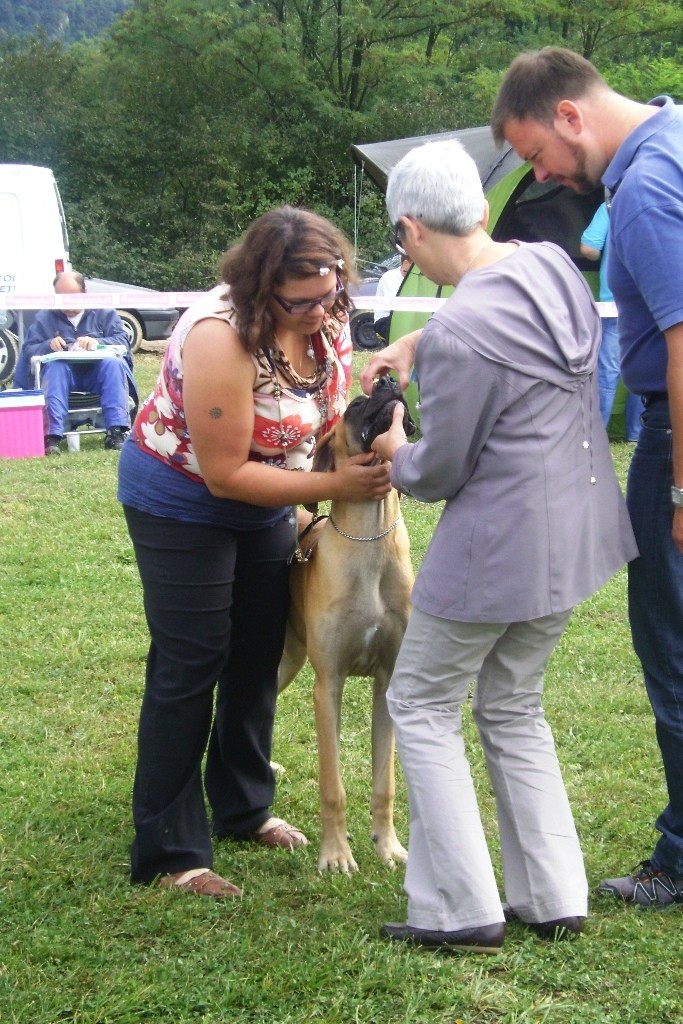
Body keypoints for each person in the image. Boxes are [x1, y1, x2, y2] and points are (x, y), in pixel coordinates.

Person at [359, 138, 637, 954]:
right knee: (513, 705)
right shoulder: (550, 267)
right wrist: (417, 341)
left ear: (408, 233)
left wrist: (391, 447)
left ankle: (456, 907)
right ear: (480, 210)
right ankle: (553, 897)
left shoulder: (461, 335)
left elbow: (436, 473)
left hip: (494, 554)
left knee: (420, 702)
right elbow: (503, 336)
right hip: (577, 535)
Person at [117, 206, 391, 899]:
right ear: (260, 286)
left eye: (328, 293)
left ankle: (243, 807)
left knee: (257, 651)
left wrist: (305, 499)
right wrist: (329, 488)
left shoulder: (328, 318)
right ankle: (171, 849)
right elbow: (223, 474)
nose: (318, 310)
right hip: (185, 500)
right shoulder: (219, 336)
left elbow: (320, 417)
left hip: (272, 495)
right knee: (193, 657)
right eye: (297, 300)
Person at [491, 46, 683, 909]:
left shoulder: (641, 190)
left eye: (536, 154)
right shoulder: (674, 133)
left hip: (674, 434)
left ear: (570, 115)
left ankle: (680, 859)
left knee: (673, 650)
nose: (543, 175)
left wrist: (680, 487)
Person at [14, 271, 133, 454]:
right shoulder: (44, 317)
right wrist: (48, 345)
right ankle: (52, 436)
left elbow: (123, 341)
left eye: (72, 296)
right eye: (62, 298)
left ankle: (116, 431)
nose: (67, 303)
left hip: (97, 371)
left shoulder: (104, 312)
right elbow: (29, 350)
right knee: (55, 368)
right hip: (63, 375)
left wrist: (98, 343)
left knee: (113, 364)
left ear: (85, 293)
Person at [579, 202, 641, 442]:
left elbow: (587, 249)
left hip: (615, 301)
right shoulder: (668, 194)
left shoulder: (610, 205)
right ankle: (638, 433)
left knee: (607, 370)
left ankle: (597, 433)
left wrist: (605, 253)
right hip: (654, 299)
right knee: (647, 366)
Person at [373, 254, 412, 341]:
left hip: (405, 319)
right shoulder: (389, 277)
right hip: (384, 320)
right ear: (406, 263)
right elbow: (396, 307)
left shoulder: (413, 279)